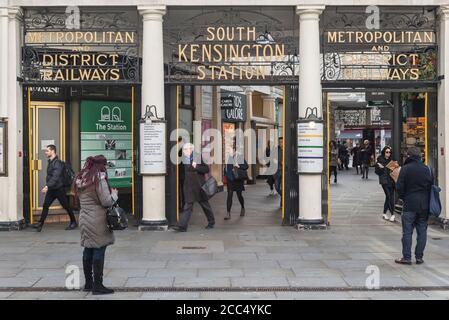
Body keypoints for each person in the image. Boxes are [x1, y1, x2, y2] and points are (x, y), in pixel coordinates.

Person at [74, 155, 117, 295]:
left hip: (85, 218)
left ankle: (88, 283)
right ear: (101, 165)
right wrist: (114, 195)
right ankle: (98, 286)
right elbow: (106, 201)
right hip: (97, 219)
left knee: (88, 249)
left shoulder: (81, 178)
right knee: (99, 249)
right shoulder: (98, 179)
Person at [395, 147, 432, 265]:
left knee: (407, 232)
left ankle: (406, 257)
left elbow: (399, 187)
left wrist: (404, 197)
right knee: (422, 232)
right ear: (420, 156)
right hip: (424, 205)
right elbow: (431, 185)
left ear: (409, 156)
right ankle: (419, 257)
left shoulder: (405, 169)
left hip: (409, 204)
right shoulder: (426, 169)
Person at [32, 145, 77, 232]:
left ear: (53, 151)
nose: (45, 152)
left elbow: (55, 177)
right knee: (46, 205)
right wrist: (49, 187)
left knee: (66, 206)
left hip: (59, 189)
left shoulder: (57, 163)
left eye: (47, 151)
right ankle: (40, 224)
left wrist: (47, 186)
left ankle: (73, 222)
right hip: (52, 189)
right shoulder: (51, 162)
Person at [174, 143, 215, 232]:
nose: (184, 151)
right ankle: (182, 226)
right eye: (184, 150)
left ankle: (211, 222)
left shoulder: (197, 157)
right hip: (188, 186)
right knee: (187, 205)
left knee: (205, 205)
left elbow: (206, 169)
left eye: (186, 149)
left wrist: (197, 166)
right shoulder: (182, 159)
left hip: (199, 186)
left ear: (191, 149)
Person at [223, 143, 249, 220]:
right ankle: (228, 213)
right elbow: (227, 167)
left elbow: (246, 166)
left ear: (234, 150)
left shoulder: (239, 157)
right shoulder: (228, 157)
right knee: (229, 195)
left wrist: (239, 166)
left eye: (230, 150)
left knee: (239, 195)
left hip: (238, 179)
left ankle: (243, 207)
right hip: (230, 179)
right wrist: (226, 172)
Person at [375, 146, 396, 222]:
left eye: (389, 152)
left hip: (391, 181)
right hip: (384, 181)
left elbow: (395, 170)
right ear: (384, 152)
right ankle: (393, 214)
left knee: (389, 197)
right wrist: (380, 167)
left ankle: (384, 213)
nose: (388, 154)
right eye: (387, 152)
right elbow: (377, 172)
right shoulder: (380, 160)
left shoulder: (392, 160)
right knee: (389, 196)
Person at [273, 137, 283, 208]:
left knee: (282, 187)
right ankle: (283, 196)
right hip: (277, 171)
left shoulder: (287, 150)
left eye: (282, 142)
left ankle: (282, 202)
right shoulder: (276, 150)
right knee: (277, 187)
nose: (281, 143)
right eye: (280, 142)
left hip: (284, 171)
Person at [178, 137, 185, 210]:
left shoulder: (178, 149)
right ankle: (183, 205)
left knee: (179, 189)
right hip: (183, 172)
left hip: (179, 172)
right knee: (183, 189)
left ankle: (180, 205)